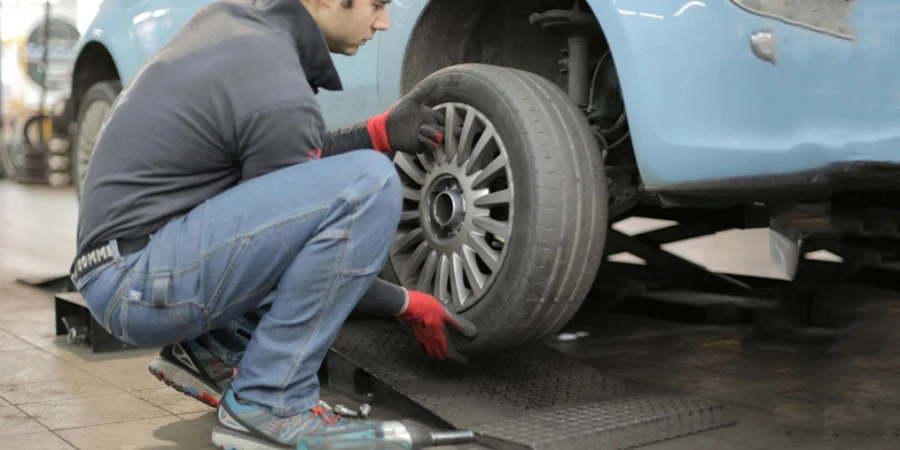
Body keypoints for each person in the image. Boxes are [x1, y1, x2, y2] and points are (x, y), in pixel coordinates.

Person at [68, 0, 477, 447]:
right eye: (376, 5)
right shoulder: (275, 81)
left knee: (341, 181)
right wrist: (405, 303)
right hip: (142, 285)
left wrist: (375, 133)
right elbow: (292, 239)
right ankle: (271, 400)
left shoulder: (243, 34)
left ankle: (211, 347)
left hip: (121, 269)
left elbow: (280, 170)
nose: (382, 22)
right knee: (370, 184)